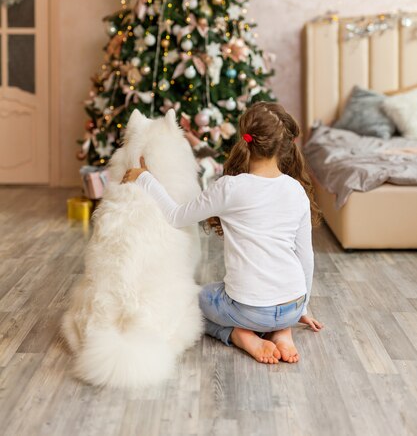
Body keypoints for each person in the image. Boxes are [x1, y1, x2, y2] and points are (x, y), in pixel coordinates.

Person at [122, 101, 324, 365]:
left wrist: (144, 177)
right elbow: (305, 256)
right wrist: (302, 308)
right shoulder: (295, 190)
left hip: (248, 309)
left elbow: (175, 215)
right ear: (283, 145)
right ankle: (282, 332)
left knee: (190, 300)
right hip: (293, 306)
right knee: (270, 304)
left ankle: (241, 335)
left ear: (246, 140)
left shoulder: (229, 188)